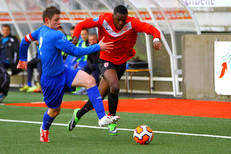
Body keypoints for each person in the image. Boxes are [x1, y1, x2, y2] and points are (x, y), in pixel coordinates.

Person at [17, 6, 120, 143]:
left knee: (90, 80)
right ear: (47, 20)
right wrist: (98, 47)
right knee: (54, 111)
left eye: (60, 19)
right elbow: (75, 52)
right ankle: (44, 129)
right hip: (50, 81)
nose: (59, 22)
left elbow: (25, 40)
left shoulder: (41, 30)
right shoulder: (56, 35)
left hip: (64, 72)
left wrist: (23, 58)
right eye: (56, 19)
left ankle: (102, 117)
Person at [69, 5, 162, 136]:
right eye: (118, 20)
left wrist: (156, 39)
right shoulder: (103, 20)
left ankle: (78, 114)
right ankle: (112, 119)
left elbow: (152, 29)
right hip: (105, 60)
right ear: (113, 16)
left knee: (99, 96)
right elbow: (81, 24)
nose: (121, 23)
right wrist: (75, 37)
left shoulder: (132, 23)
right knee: (115, 86)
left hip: (121, 63)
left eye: (123, 20)